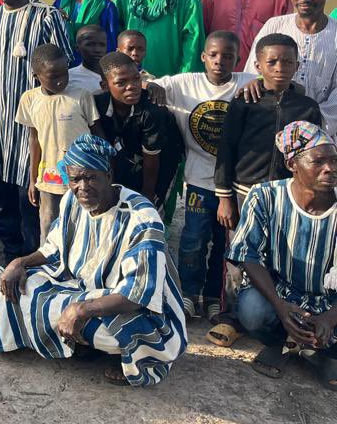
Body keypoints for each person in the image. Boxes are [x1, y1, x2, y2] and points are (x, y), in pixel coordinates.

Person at [0, 135, 187, 388]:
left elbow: (138, 294)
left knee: (111, 321)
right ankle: (79, 340)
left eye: (91, 177)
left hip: (137, 306)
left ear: (109, 174)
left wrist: (82, 309)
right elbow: (53, 249)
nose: (82, 187)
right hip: (85, 288)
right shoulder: (72, 200)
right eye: (75, 179)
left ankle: (123, 357)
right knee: (20, 285)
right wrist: (19, 262)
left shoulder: (141, 216)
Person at [0, 0, 72, 280]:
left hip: (34, 124)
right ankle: (9, 256)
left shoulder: (48, 17)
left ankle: (33, 264)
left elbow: (65, 63)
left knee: (32, 196)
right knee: (1, 196)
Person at [147, 31, 255, 322]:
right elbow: (147, 80)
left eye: (228, 56)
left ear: (239, 59)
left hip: (234, 184)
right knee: (193, 239)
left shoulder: (247, 83)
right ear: (204, 56)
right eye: (214, 55)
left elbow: (282, 84)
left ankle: (213, 296)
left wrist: (266, 83)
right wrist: (153, 85)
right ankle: (187, 293)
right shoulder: (186, 83)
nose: (220, 61)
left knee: (225, 241)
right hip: (197, 179)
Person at [227, 121, 337, 386]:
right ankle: (277, 343)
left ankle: (326, 352)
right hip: (281, 292)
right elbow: (247, 254)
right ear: (292, 165)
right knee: (253, 309)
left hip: (331, 301)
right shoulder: (265, 196)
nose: (330, 169)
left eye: (334, 161)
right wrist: (281, 306)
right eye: (319, 162)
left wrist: (329, 318)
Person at [215, 33, 323, 227]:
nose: (279, 68)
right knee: (242, 249)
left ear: (297, 66)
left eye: (288, 62)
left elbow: (315, 154)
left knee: (282, 247)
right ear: (258, 66)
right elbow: (226, 147)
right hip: (245, 191)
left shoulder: (308, 107)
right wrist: (224, 197)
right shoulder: (244, 102)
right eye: (271, 62)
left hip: (289, 192)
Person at [15, 44, 101, 240]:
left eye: (65, 74)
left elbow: (98, 135)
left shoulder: (81, 96)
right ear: (36, 76)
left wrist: (103, 173)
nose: (61, 81)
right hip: (49, 179)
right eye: (54, 77)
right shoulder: (29, 99)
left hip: (84, 178)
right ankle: (50, 267)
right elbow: (34, 140)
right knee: (49, 226)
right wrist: (32, 180)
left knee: (83, 227)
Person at [246, 0, 337, 133]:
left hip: (319, 128)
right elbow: (253, 70)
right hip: (269, 121)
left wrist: (313, 119)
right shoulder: (275, 25)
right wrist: (253, 83)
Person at [94, 52, 181, 211]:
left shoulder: (152, 111)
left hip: (161, 157)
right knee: (117, 199)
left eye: (136, 79)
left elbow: (152, 158)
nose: (132, 86)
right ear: (104, 86)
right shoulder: (98, 106)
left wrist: (147, 196)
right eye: (121, 82)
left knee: (148, 204)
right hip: (127, 154)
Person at [67, 25, 107, 95]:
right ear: (77, 48)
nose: (97, 50)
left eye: (102, 45)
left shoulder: (116, 75)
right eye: (90, 44)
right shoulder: (69, 78)